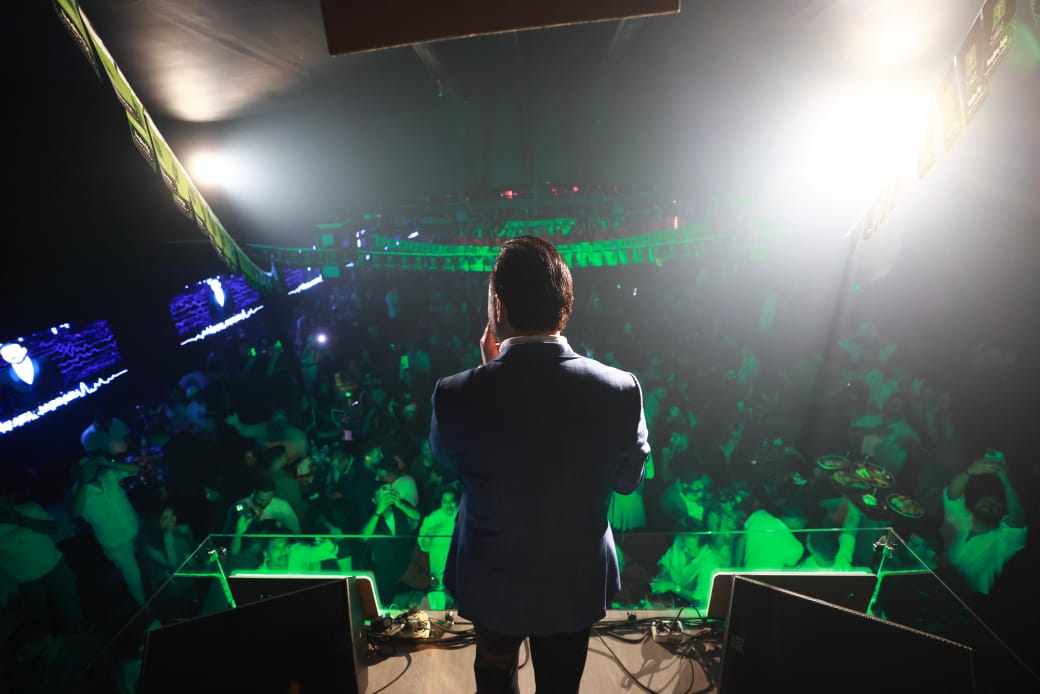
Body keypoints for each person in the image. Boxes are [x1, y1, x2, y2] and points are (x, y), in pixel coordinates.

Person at [430, 236, 650, 694]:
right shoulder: (621, 390)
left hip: (490, 581)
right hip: (574, 583)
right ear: (564, 304)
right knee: (561, 685)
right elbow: (628, 482)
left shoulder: (454, 394)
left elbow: (447, 461)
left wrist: (487, 375)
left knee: (494, 680)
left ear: (499, 306)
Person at [939, 452, 1026, 596]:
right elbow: (952, 494)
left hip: (963, 600)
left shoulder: (1003, 543)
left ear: (1002, 515)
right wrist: (969, 472)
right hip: (931, 579)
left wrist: (1006, 482)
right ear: (975, 504)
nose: (988, 504)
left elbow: (1018, 522)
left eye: (995, 504)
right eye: (985, 500)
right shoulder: (961, 518)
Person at [70, 455, 147, 606]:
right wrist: (83, 482)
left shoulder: (107, 476)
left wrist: (110, 462)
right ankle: (143, 605)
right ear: (77, 472)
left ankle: (158, 590)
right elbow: (75, 512)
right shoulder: (75, 493)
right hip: (116, 542)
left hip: (136, 529)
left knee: (148, 562)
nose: (89, 469)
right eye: (84, 468)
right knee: (133, 575)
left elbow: (135, 469)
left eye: (90, 465)